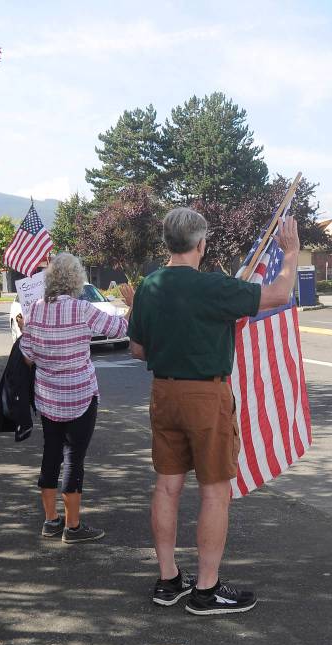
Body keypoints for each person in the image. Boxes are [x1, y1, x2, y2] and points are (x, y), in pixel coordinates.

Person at [130, 207, 300, 615]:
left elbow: (137, 349)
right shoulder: (213, 286)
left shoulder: (149, 286)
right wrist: (291, 252)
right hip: (206, 396)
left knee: (167, 487)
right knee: (214, 491)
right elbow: (279, 294)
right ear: (201, 244)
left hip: (163, 393)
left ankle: (168, 579)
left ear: (168, 242)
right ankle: (206, 589)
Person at [20, 253, 135, 544]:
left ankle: (50, 521)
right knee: (74, 458)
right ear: (76, 279)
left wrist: (30, 333)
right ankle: (72, 527)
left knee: (51, 453)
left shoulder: (34, 310)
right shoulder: (82, 309)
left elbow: (28, 355)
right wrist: (133, 307)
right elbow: (120, 329)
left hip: (48, 398)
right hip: (81, 396)